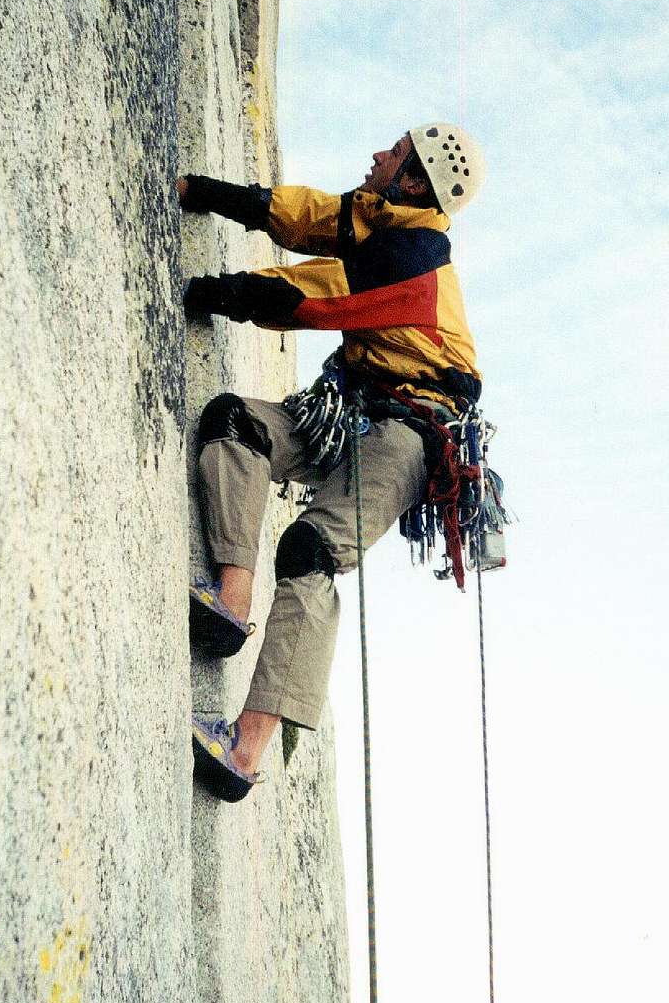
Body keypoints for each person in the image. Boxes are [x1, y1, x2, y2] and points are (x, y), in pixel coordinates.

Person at [177, 124, 485, 801]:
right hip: (355, 414)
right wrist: (207, 194)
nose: (378, 152)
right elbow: (305, 215)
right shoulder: (376, 220)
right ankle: (230, 602)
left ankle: (245, 749)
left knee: (312, 549)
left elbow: (317, 294)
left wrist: (216, 293)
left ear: (411, 181)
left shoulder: (413, 257)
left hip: (412, 431)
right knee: (238, 423)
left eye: (395, 151)